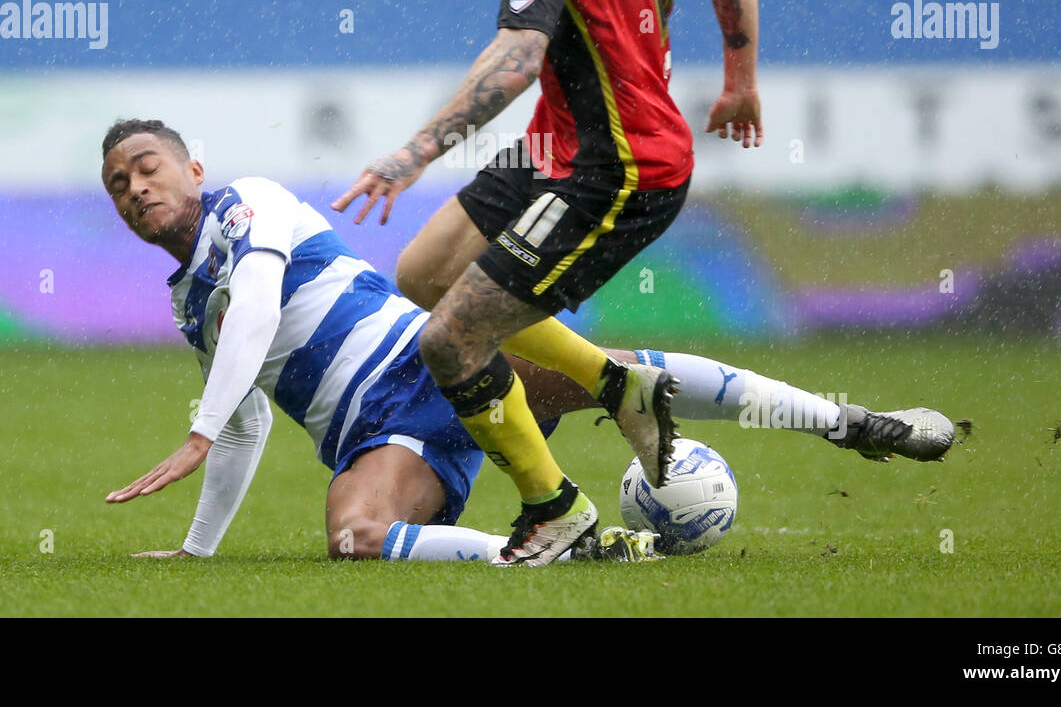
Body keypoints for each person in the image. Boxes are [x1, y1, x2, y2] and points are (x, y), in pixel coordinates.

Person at [102, 119, 954, 565]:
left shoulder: (250, 204)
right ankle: (564, 547)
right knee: (353, 538)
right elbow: (249, 416)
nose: (136, 186)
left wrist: (197, 430)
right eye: (119, 185)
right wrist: (197, 546)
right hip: (384, 437)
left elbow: (257, 303)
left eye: (148, 165)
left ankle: (849, 420)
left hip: (429, 351)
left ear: (195, 169)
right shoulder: (187, 302)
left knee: (617, 376)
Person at [332, 0, 765, 564]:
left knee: (448, 342)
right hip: (557, 144)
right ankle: (620, 384)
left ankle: (554, 507)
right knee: (423, 273)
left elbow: (519, 53)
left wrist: (414, 152)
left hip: (616, 165)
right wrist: (740, 81)